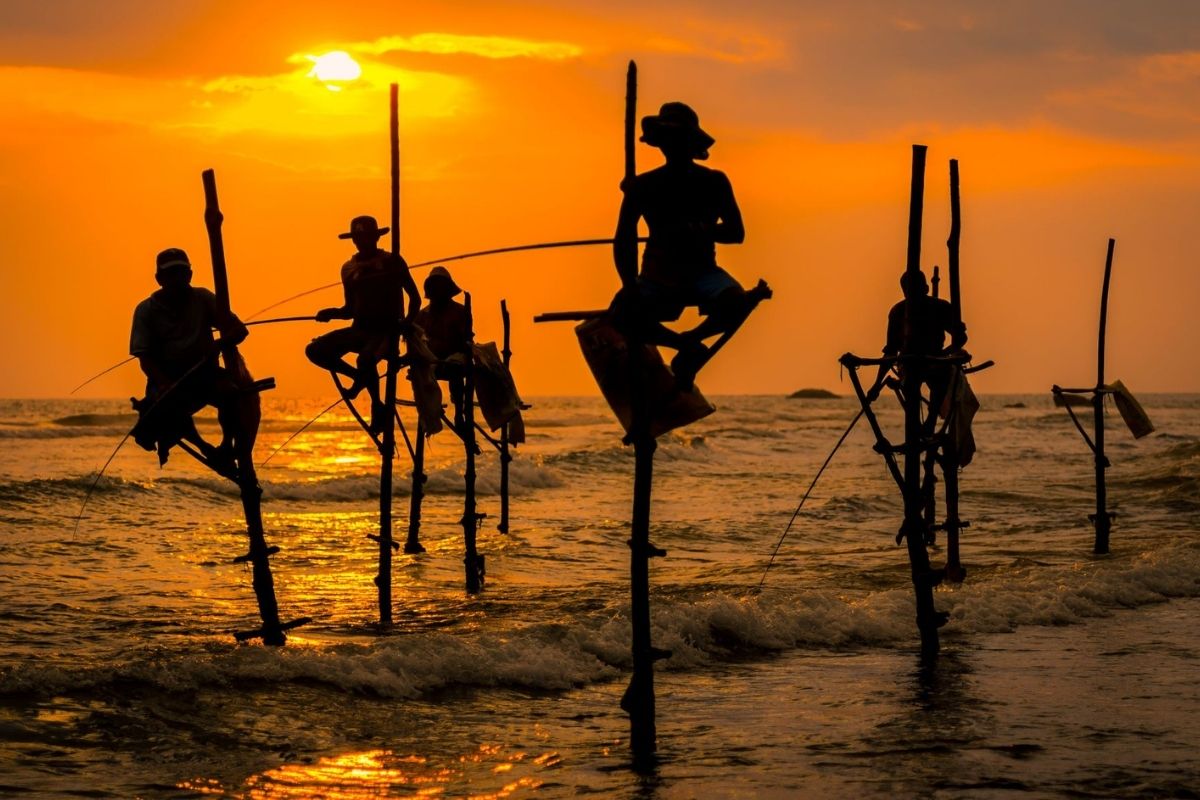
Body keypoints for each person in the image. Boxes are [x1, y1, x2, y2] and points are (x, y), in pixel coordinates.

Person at [612, 101, 759, 389]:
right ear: (660, 143)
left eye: (679, 138)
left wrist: (702, 230)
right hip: (656, 275)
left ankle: (691, 339)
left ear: (690, 143)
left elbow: (735, 232)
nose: (673, 144)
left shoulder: (714, 181)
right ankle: (684, 345)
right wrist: (629, 284)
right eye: (667, 138)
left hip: (703, 273)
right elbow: (623, 240)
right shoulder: (643, 185)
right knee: (622, 314)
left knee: (737, 302)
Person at [129, 247, 249, 471]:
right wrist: (164, 383)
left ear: (190, 275)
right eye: (171, 274)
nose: (177, 279)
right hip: (165, 379)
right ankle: (205, 448)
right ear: (159, 279)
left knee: (231, 393)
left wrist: (220, 343)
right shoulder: (146, 310)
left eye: (182, 273)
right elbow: (144, 358)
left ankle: (226, 446)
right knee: (168, 406)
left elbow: (239, 330)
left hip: (205, 374)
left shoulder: (202, 298)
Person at [306, 215, 420, 433]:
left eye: (366, 237)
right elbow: (349, 310)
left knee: (366, 358)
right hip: (359, 330)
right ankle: (359, 378)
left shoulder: (393, 261)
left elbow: (414, 298)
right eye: (358, 238)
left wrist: (406, 323)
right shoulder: (349, 269)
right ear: (354, 240)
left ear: (376, 237)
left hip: (387, 332)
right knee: (314, 350)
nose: (362, 242)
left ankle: (377, 406)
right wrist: (330, 313)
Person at [866, 269, 968, 408]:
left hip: (936, 360)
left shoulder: (940, 307)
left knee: (941, 381)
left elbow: (961, 337)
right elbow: (890, 352)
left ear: (925, 289)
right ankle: (917, 424)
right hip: (908, 364)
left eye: (916, 291)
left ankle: (930, 420)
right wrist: (876, 385)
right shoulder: (898, 312)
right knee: (910, 384)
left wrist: (944, 354)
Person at [413, 266, 471, 430]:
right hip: (430, 361)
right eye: (434, 287)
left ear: (447, 289)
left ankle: (459, 413)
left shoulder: (460, 311)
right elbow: (416, 343)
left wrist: (449, 356)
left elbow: (465, 341)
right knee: (419, 373)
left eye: (441, 286)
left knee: (456, 369)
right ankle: (430, 411)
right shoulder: (421, 315)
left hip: (454, 359)